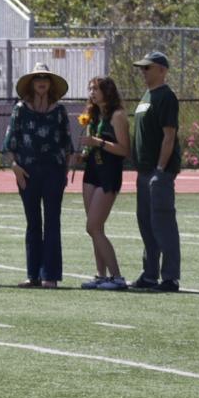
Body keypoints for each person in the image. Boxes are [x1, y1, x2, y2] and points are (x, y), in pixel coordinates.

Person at [4, 64, 73, 289]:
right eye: (37, 78)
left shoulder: (60, 110)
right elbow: (10, 142)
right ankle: (32, 274)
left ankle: (50, 275)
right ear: (31, 83)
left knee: (52, 222)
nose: (42, 81)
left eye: (45, 77)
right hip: (27, 172)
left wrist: (65, 172)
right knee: (33, 222)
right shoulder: (20, 109)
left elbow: (67, 145)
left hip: (53, 171)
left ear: (51, 83)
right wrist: (15, 167)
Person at [130, 51, 181, 291]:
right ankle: (149, 274)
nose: (143, 71)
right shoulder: (147, 95)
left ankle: (170, 277)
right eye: (142, 68)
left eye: (148, 68)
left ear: (162, 69)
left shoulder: (166, 96)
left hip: (158, 171)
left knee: (163, 224)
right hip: (143, 170)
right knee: (146, 224)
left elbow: (169, 136)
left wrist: (161, 169)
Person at [77, 76, 130, 290]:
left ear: (107, 91)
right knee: (94, 228)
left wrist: (98, 142)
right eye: (90, 88)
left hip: (109, 173)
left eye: (96, 88)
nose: (92, 92)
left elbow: (124, 150)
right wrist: (83, 153)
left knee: (93, 226)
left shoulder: (117, 115)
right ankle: (101, 275)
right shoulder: (94, 115)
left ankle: (117, 277)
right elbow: (93, 145)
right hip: (92, 172)